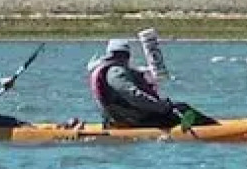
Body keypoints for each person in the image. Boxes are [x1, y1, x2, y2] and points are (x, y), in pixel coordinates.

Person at [86, 39, 215, 129]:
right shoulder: (115, 73)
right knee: (183, 109)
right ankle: (212, 128)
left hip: (128, 118)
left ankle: (211, 125)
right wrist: (161, 107)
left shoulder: (115, 70)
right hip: (133, 120)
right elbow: (134, 96)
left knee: (180, 107)